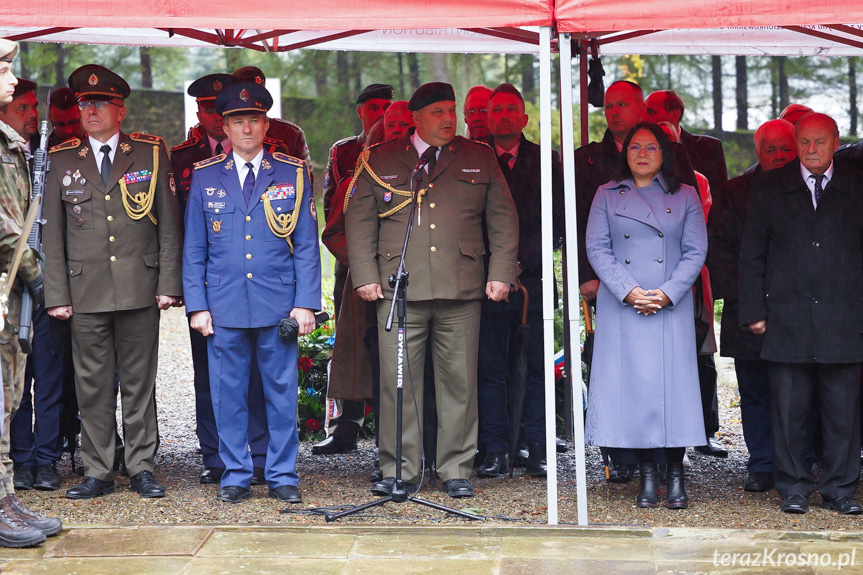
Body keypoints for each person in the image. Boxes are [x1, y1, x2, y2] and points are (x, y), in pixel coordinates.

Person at [346, 82, 519, 498]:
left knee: (459, 382)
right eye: (438, 112)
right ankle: (399, 469)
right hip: (397, 289)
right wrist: (365, 275)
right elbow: (360, 221)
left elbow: (503, 219)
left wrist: (500, 273)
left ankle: (456, 467)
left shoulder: (479, 156)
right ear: (416, 119)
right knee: (397, 382)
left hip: (461, 286)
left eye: (451, 110)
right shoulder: (380, 158)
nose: (449, 119)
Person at [42, 64, 182, 500]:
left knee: (139, 383)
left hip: (139, 285)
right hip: (84, 291)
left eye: (100, 103)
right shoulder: (62, 157)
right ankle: (98, 469)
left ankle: (141, 466)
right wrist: (57, 295)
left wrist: (168, 283)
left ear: (121, 111)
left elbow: (169, 226)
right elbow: (52, 233)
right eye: (85, 104)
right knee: (92, 385)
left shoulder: (151, 153)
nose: (91, 110)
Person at [183, 81, 321, 504]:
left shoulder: (292, 172)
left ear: (266, 125)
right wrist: (197, 306)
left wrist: (305, 303)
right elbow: (194, 247)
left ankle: (281, 474)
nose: (246, 128)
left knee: (280, 395)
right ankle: (236, 474)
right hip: (223, 306)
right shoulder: (206, 176)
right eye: (237, 121)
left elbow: (306, 243)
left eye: (254, 120)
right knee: (228, 396)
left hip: (277, 303)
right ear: (224, 127)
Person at [739, 112, 863, 515]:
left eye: (820, 142)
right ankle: (792, 487)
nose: (811, 150)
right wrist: (754, 311)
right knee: (789, 410)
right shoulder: (769, 187)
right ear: (796, 143)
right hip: (786, 316)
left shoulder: (858, 186)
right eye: (804, 142)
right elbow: (751, 254)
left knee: (842, 412)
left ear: (835, 142)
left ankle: (840, 490)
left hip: (844, 316)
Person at [575, 80, 697, 483]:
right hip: (624, 302)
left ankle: (675, 471)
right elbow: (598, 248)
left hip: (669, 304)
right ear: (624, 153)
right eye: (634, 148)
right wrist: (629, 291)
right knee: (633, 386)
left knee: (672, 387)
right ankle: (645, 471)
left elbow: (696, 251)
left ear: (665, 154)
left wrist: (666, 293)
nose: (642, 154)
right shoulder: (607, 193)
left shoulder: (685, 195)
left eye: (651, 148)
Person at [170, 73, 273, 486]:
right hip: (209, 282)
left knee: (260, 375)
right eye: (210, 111)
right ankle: (214, 453)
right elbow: (179, 227)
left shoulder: (275, 153)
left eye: (223, 110)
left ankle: (260, 453)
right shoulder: (181, 157)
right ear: (201, 112)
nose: (218, 118)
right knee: (208, 373)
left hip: (261, 284)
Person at [475, 83, 564, 479]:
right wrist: (499, 265)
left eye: (512, 110)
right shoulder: (475, 162)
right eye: (498, 110)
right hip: (487, 283)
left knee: (539, 370)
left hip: (534, 282)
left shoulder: (548, 161)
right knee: (489, 369)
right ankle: (495, 449)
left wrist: (518, 262)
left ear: (525, 118)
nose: (505, 117)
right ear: (487, 118)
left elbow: (557, 220)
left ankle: (538, 449)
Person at [707, 119, 797, 493]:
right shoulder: (734, 192)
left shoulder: (813, 190)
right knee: (756, 392)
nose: (778, 156)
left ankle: (797, 463)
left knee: (797, 394)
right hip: (750, 310)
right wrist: (753, 298)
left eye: (785, 149)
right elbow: (718, 250)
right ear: (758, 153)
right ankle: (761, 464)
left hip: (802, 311)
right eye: (770, 149)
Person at [0, 37, 62, 548]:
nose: (9, 78)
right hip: (8, 280)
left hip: (10, 288)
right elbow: (5, 229)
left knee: (8, 397)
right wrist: (36, 276)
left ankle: (4, 496)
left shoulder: (13, 148)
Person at [316, 83, 394, 456]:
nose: (381, 113)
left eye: (388, 106)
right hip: (352, 267)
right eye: (374, 106)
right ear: (360, 110)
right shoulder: (344, 151)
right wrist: (361, 262)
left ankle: (395, 435)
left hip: (400, 270)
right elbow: (334, 204)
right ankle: (346, 425)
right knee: (350, 347)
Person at [231, 66, 313, 183]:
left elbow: (305, 184)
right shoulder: (220, 130)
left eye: (257, 96)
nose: (247, 129)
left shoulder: (290, 134)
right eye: (244, 97)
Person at [645, 90, 728, 193]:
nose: (644, 117)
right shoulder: (634, 148)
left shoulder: (709, 148)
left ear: (675, 115)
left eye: (651, 112)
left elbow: (720, 197)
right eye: (642, 112)